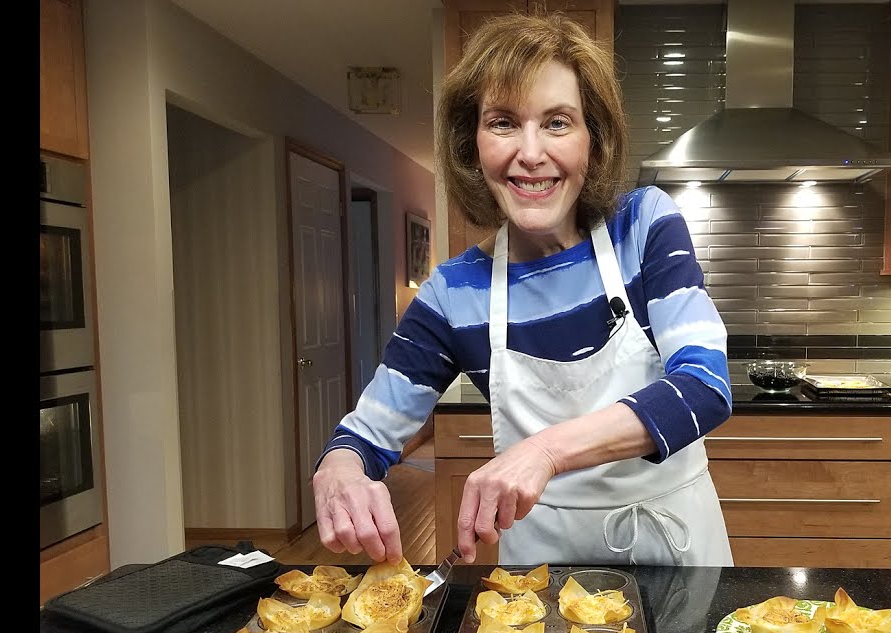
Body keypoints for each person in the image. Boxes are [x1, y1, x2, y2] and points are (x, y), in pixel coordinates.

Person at [310, 11, 734, 567]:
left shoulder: (644, 224)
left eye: (557, 122)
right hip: (539, 584)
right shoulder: (453, 294)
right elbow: (364, 436)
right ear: (472, 146)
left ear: (593, 140)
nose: (530, 154)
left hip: (675, 555)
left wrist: (545, 452)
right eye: (503, 122)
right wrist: (337, 471)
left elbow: (704, 387)